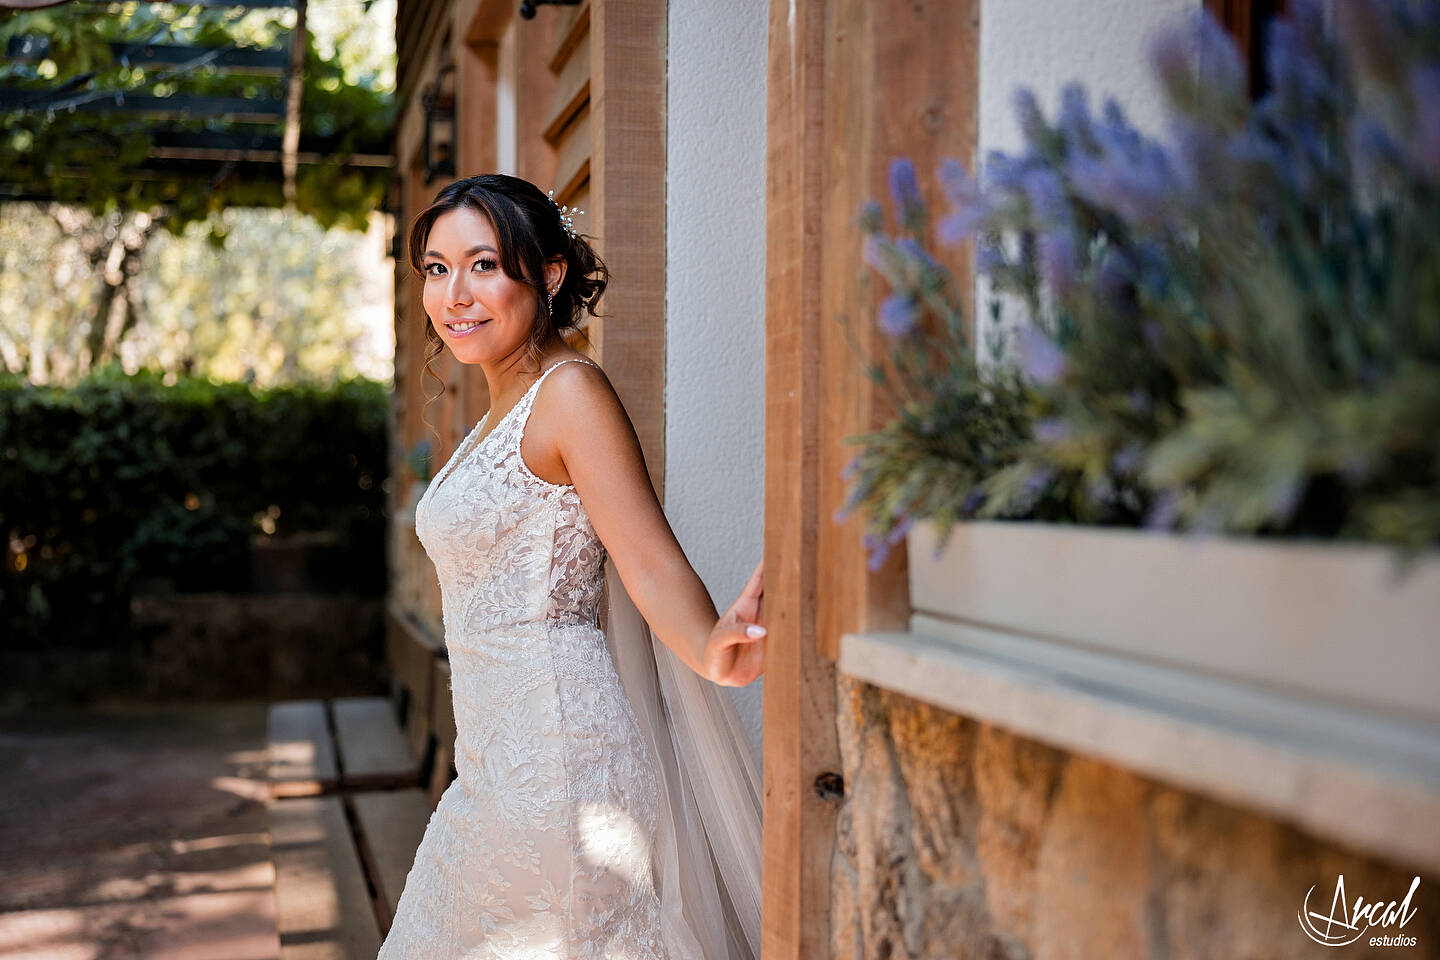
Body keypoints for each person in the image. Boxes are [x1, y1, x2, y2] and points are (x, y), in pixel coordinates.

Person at [377, 173, 765, 960]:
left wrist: (711, 649)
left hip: (559, 767)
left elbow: (648, 562)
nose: (455, 294)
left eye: (484, 265)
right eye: (437, 269)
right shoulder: (496, 414)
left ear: (549, 274)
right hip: (492, 766)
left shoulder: (571, 394)